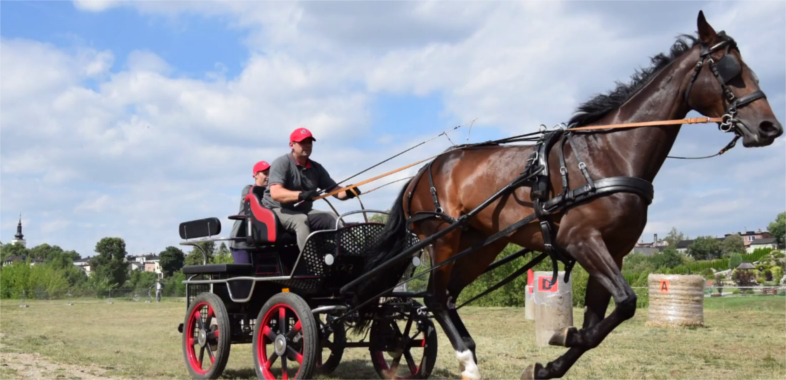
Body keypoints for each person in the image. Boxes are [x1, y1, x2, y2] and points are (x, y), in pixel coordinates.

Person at [263, 127, 361, 251]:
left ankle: (354, 254)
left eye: (309, 142)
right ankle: (312, 262)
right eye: (302, 142)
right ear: (291, 145)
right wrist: (301, 195)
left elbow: (335, 191)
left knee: (331, 217)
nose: (307, 145)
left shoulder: (316, 168)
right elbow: (276, 193)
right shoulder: (281, 163)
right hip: (276, 209)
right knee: (300, 220)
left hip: (302, 210)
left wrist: (349, 192)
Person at [229, 161, 270, 264]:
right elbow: (256, 204)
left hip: (259, 242)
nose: (268, 176)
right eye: (265, 173)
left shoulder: (271, 191)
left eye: (270, 173)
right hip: (241, 241)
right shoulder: (248, 190)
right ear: (255, 175)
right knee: (245, 275)